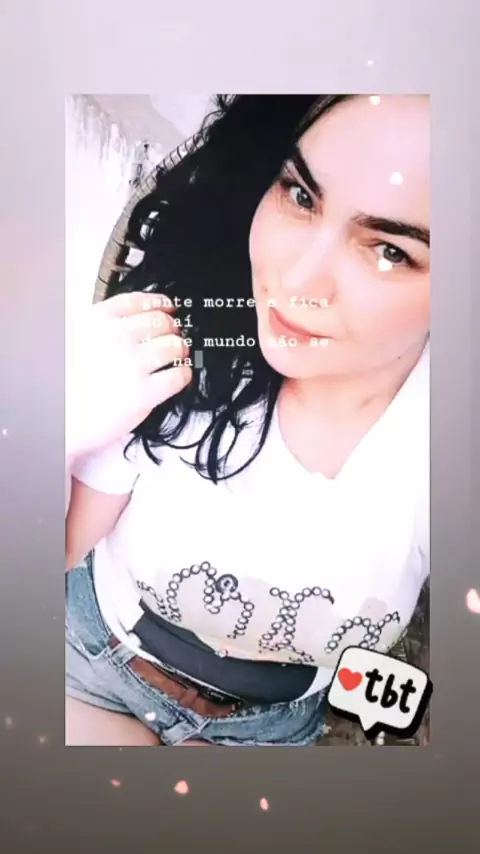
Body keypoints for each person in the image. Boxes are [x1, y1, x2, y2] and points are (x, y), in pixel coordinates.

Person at [65, 94, 430, 746]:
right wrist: (57, 425)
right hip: (98, 670)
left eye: (390, 251)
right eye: (300, 195)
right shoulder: (180, 338)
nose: (298, 281)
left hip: (272, 727)